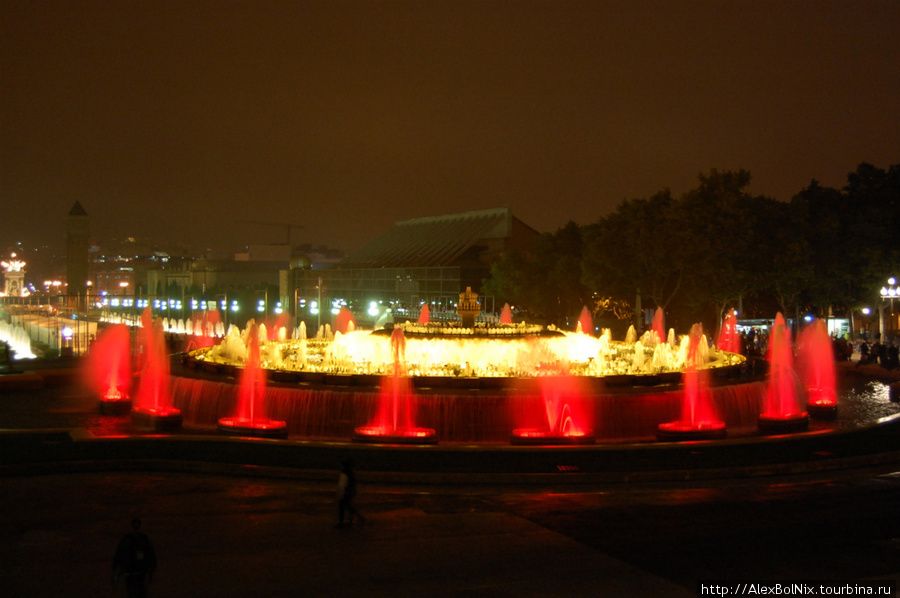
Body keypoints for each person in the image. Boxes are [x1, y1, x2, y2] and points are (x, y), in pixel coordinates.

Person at [112, 518, 156, 598]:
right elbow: (150, 553)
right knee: (139, 591)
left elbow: (120, 553)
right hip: (137, 570)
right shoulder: (142, 539)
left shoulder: (129, 539)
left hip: (134, 570)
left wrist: (116, 566)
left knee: (134, 591)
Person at [335, 458, 365, 528]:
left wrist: (340, 494)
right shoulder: (351, 473)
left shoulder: (344, 473)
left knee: (342, 507)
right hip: (350, 492)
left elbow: (341, 485)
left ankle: (341, 521)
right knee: (349, 506)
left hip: (345, 493)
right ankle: (353, 518)